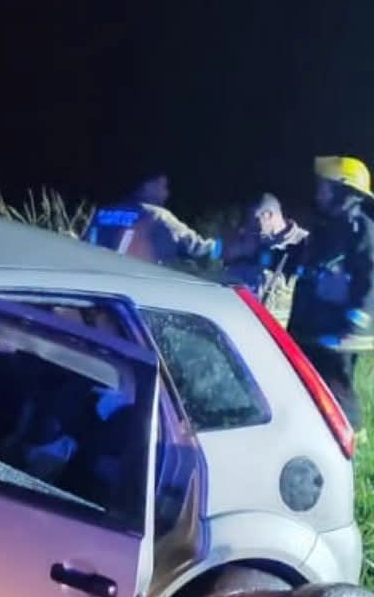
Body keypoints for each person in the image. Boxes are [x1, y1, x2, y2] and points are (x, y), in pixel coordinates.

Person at [288, 156, 374, 433]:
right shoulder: (326, 227)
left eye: (325, 187)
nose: (319, 193)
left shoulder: (361, 229)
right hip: (312, 324)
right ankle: (317, 430)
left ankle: (352, 435)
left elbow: (369, 278)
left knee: (337, 384)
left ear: (343, 191)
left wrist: (354, 322)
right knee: (308, 381)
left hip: (339, 330)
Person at [85, 172, 223, 267]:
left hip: (98, 284)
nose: (166, 193)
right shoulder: (157, 216)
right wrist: (221, 247)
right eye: (163, 186)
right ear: (148, 185)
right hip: (137, 286)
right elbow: (198, 248)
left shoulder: (102, 212)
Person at [223, 192, 308, 324]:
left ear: (268, 215)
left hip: (281, 331)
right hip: (245, 324)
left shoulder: (304, 244)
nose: (249, 228)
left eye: (254, 221)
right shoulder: (249, 241)